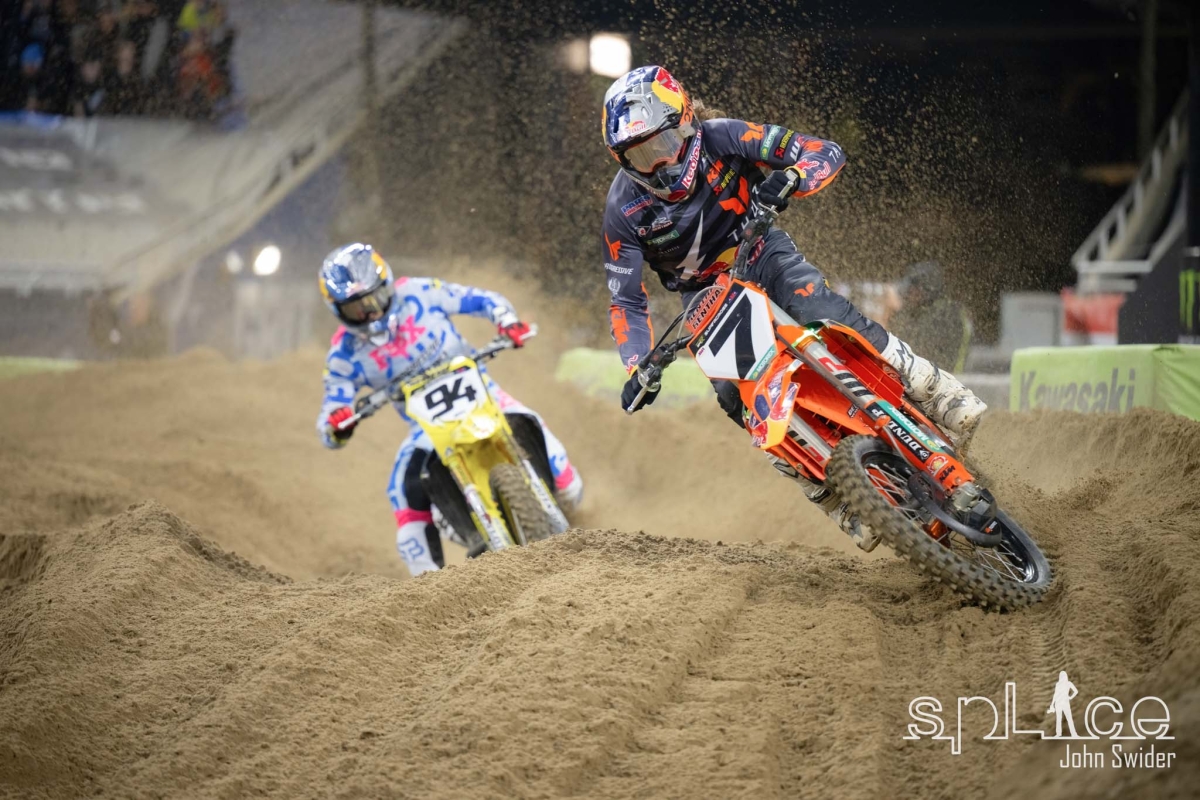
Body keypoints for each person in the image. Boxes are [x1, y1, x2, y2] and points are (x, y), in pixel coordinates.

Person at [600, 66, 986, 544]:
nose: (657, 165)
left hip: (761, 251)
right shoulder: (621, 210)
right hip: (703, 297)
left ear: (683, 124)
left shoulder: (725, 136)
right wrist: (638, 365)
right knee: (735, 399)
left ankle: (936, 389)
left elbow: (824, 150)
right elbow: (625, 300)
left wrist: (795, 176)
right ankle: (831, 497)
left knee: (819, 311)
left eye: (660, 145)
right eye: (639, 156)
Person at [315, 243, 584, 577]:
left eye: (374, 299)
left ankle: (570, 515)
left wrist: (507, 322)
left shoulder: (419, 292)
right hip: (426, 429)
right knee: (402, 489)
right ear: (339, 311)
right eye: (356, 309)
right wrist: (337, 423)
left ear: (387, 285)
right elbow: (332, 410)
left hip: (484, 394)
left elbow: (480, 299)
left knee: (559, 468)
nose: (370, 313)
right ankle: (430, 584)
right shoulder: (343, 354)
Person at [888, 261, 972, 373]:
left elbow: (934, 354)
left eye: (915, 289)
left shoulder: (944, 315)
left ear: (928, 291)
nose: (909, 294)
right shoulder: (915, 312)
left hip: (942, 378)